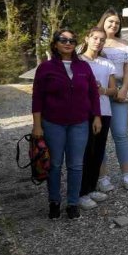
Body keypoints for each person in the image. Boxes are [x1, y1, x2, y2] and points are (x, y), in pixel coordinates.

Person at [31, 28, 102, 219]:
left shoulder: (84, 67)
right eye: (63, 40)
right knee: (54, 164)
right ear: (55, 44)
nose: (68, 43)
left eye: (71, 40)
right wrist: (37, 125)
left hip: (79, 123)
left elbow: (93, 94)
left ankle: (72, 203)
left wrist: (96, 116)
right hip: (53, 123)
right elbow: (37, 98)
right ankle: (54, 201)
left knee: (76, 165)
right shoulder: (45, 67)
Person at [96, 8, 128, 191]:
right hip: (99, 93)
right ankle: (102, 177)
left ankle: (127, 175)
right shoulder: (97, 42)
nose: (113, 25)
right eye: (110, 21)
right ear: (103, 22)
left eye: (117, 23)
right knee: (100, 136)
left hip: (119, 92)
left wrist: (124, 90)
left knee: (121, 134)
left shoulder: (125, 44)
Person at [77, 27, 117, 210]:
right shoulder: (77, 61)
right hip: (84, 111)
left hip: (104, 110)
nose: (98, 42)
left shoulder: (106, 64)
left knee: (98, 152)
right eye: (95, 38)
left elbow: (113, 90)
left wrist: (102, 91)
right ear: (87, 38)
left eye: (102, 40)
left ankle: (91, 188)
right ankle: (80, 192)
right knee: (85, 151)